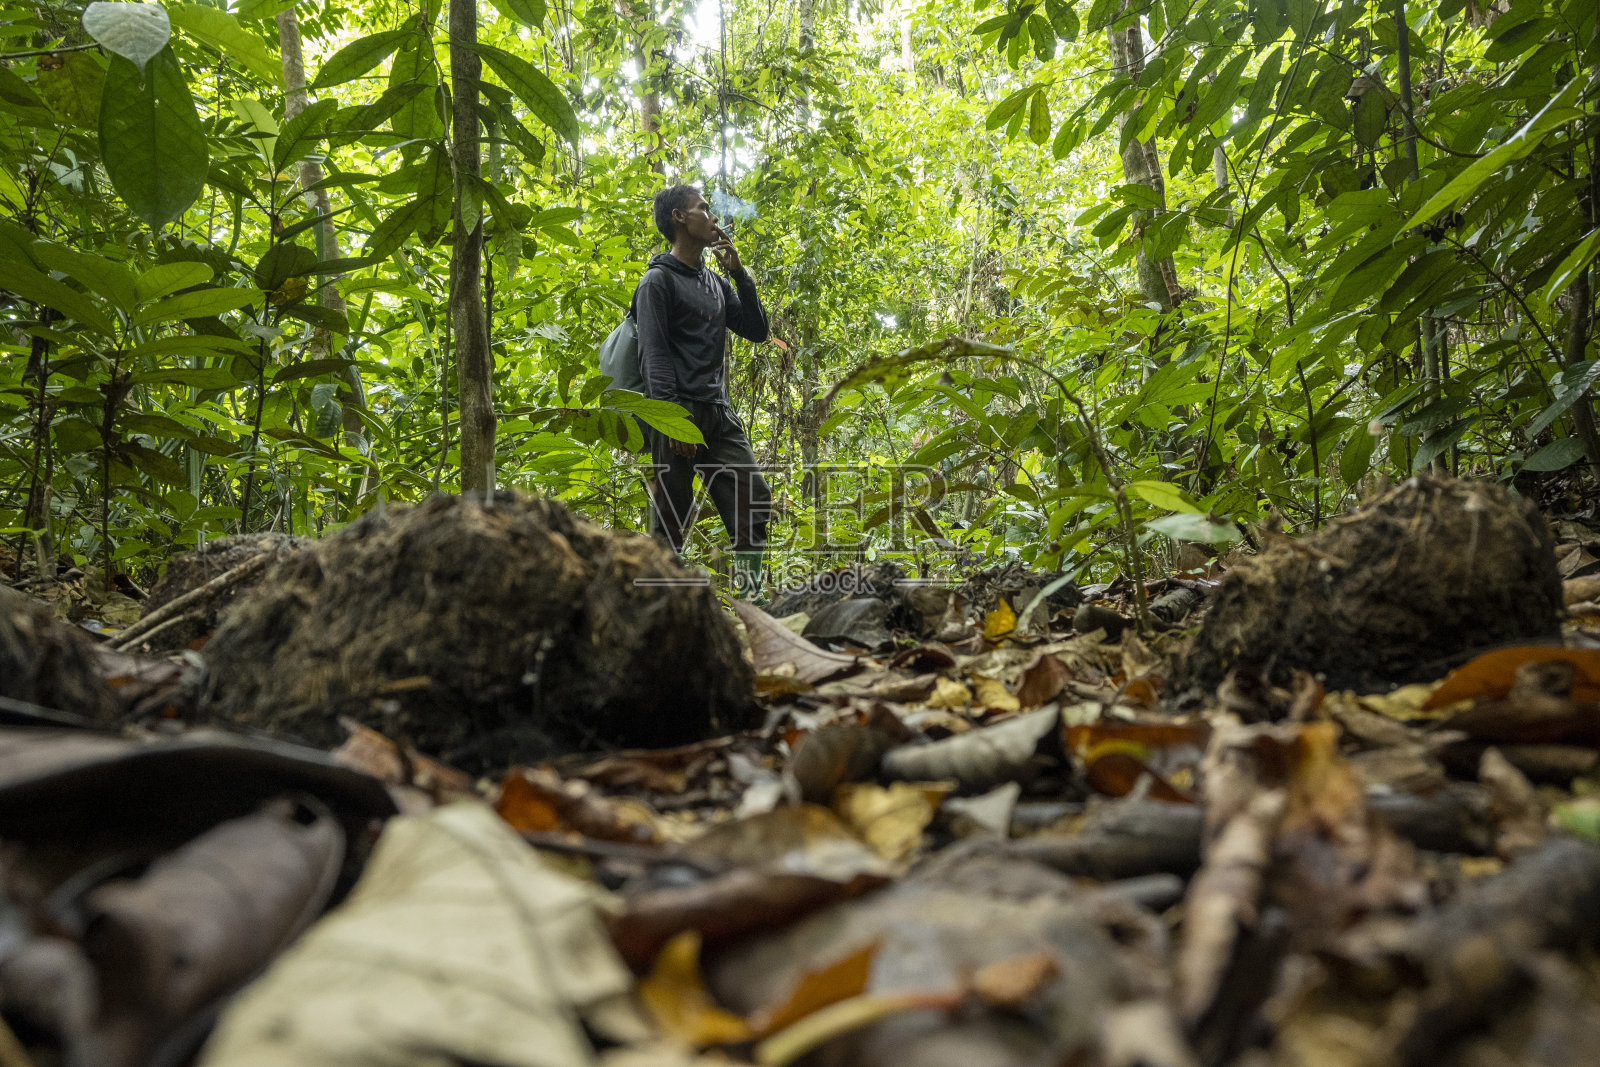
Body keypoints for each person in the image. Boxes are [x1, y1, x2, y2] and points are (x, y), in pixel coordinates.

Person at [634, 184, 772, 594]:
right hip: (677, 413)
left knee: (753, 500)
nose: (713, 217)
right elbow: (654, 355)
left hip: (719, 414)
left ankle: (751, 600)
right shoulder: (657, 281)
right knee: (670, 523)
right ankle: (662, 609)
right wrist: (672, 421)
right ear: (679, 217)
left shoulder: (715, 283)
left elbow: (757, 331)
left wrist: (739, 275)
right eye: (703, 208)